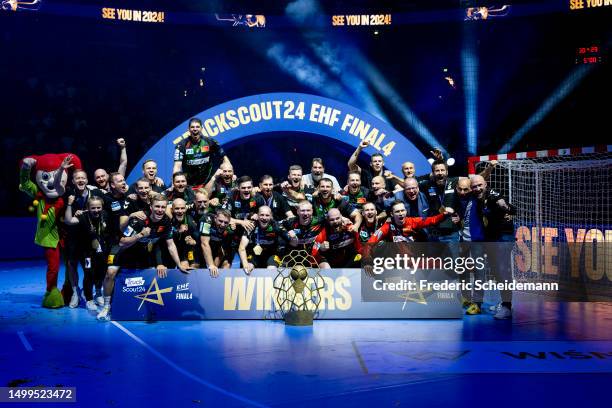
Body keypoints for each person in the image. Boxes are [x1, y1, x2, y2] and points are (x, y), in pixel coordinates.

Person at [97, 194, 190, 321]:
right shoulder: (138, 221)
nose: (160, 210)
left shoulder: (166, 222)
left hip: (141, 250)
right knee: (110, 272)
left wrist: (179, 264)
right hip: (123, 249)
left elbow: (170, 244)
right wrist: (140, 235)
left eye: (163, 207)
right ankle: (106, 307)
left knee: (153, 273)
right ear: (151, 207)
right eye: (157, 206)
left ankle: (150, 307)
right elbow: (122, 242)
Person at [471, 175, 516, 320]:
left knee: (503, 271)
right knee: (497, 272)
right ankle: (504, 303)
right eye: (474, 186)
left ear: (486, 184)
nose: (477, 188)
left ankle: (507, 307)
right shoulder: (478, 200)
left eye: (480, 185)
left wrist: (505, 206)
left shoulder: (492, 194)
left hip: (503, 237)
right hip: (492, 238)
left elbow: (509, 208)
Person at [62, 169, 104, 307]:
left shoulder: (96, 193)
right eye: (77, 178)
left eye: (83, 178)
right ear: (73, 181)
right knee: (71, 264)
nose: (80, 180)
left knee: (92, 268)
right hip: (74, 237)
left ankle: (95, 293)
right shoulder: (69, 194)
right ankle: (75, 292)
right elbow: (67, 219)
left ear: (87, 180)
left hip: (90, 240)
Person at [64, 196, 111, 311]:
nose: (96, 210)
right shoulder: (82, 216)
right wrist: (69, 204)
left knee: (101, 272)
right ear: (88, 208)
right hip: (86, 252)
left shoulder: (105, 215)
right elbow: (68, 221)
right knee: (89, 273)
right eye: (93, 208)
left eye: (98, 207)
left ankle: (98, 293)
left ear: (102, 207)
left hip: (101, 250)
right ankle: (89, 299)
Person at [173, 117, 231, 187]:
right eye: (192, 127)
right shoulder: (181, 145)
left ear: (201, 128)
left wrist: (231, 174)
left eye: (197, 127)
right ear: (188, 129)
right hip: (189, 184)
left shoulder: (210, 142)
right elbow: (177, 166)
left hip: (208, 182)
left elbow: (224, 158)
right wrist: (173, 184)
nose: (195, 129)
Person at [367, 200, 453, 244]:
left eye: (402, 210)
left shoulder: (413, 222)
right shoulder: (387, 227)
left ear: (406, 211)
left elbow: (432, 220)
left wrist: (444, 215)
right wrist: (367, 258)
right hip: (397, 261)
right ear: (392, 214)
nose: (401, 214)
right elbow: (371, 241)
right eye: (397, 212)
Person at [238, 206, 288, 274]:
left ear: (271, 217)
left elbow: (292, 242)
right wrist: (245, 263)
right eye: (262, 215)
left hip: (272, 255)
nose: (264, 218)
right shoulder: (251, 226)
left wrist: (293, 237)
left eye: (267, 215)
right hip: (254, 255)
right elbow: (241, 248)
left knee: (271, 270)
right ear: (257, 215)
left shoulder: (277, 226)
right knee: (248, 268)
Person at [200, 208, 236, 278]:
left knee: (226, 265)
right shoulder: (206, 220)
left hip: (218, 248)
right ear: (215, 218)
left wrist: (214, 266)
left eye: (226, 222)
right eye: (220, 221)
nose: (222, 225)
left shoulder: (230, 230)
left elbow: (222, 251)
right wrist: (211, 265)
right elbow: (204, 243)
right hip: (204, 245)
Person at [166, 198, 198, 269]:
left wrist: (194, 241)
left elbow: (198, 238)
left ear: (186, 209)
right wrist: (178, 232)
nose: (180, 211)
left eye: (182, 208)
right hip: (169, 251)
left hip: (185, 250)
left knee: (193, 266)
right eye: (177, 208)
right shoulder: (167, 220)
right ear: (172, 210)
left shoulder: (190, 221)